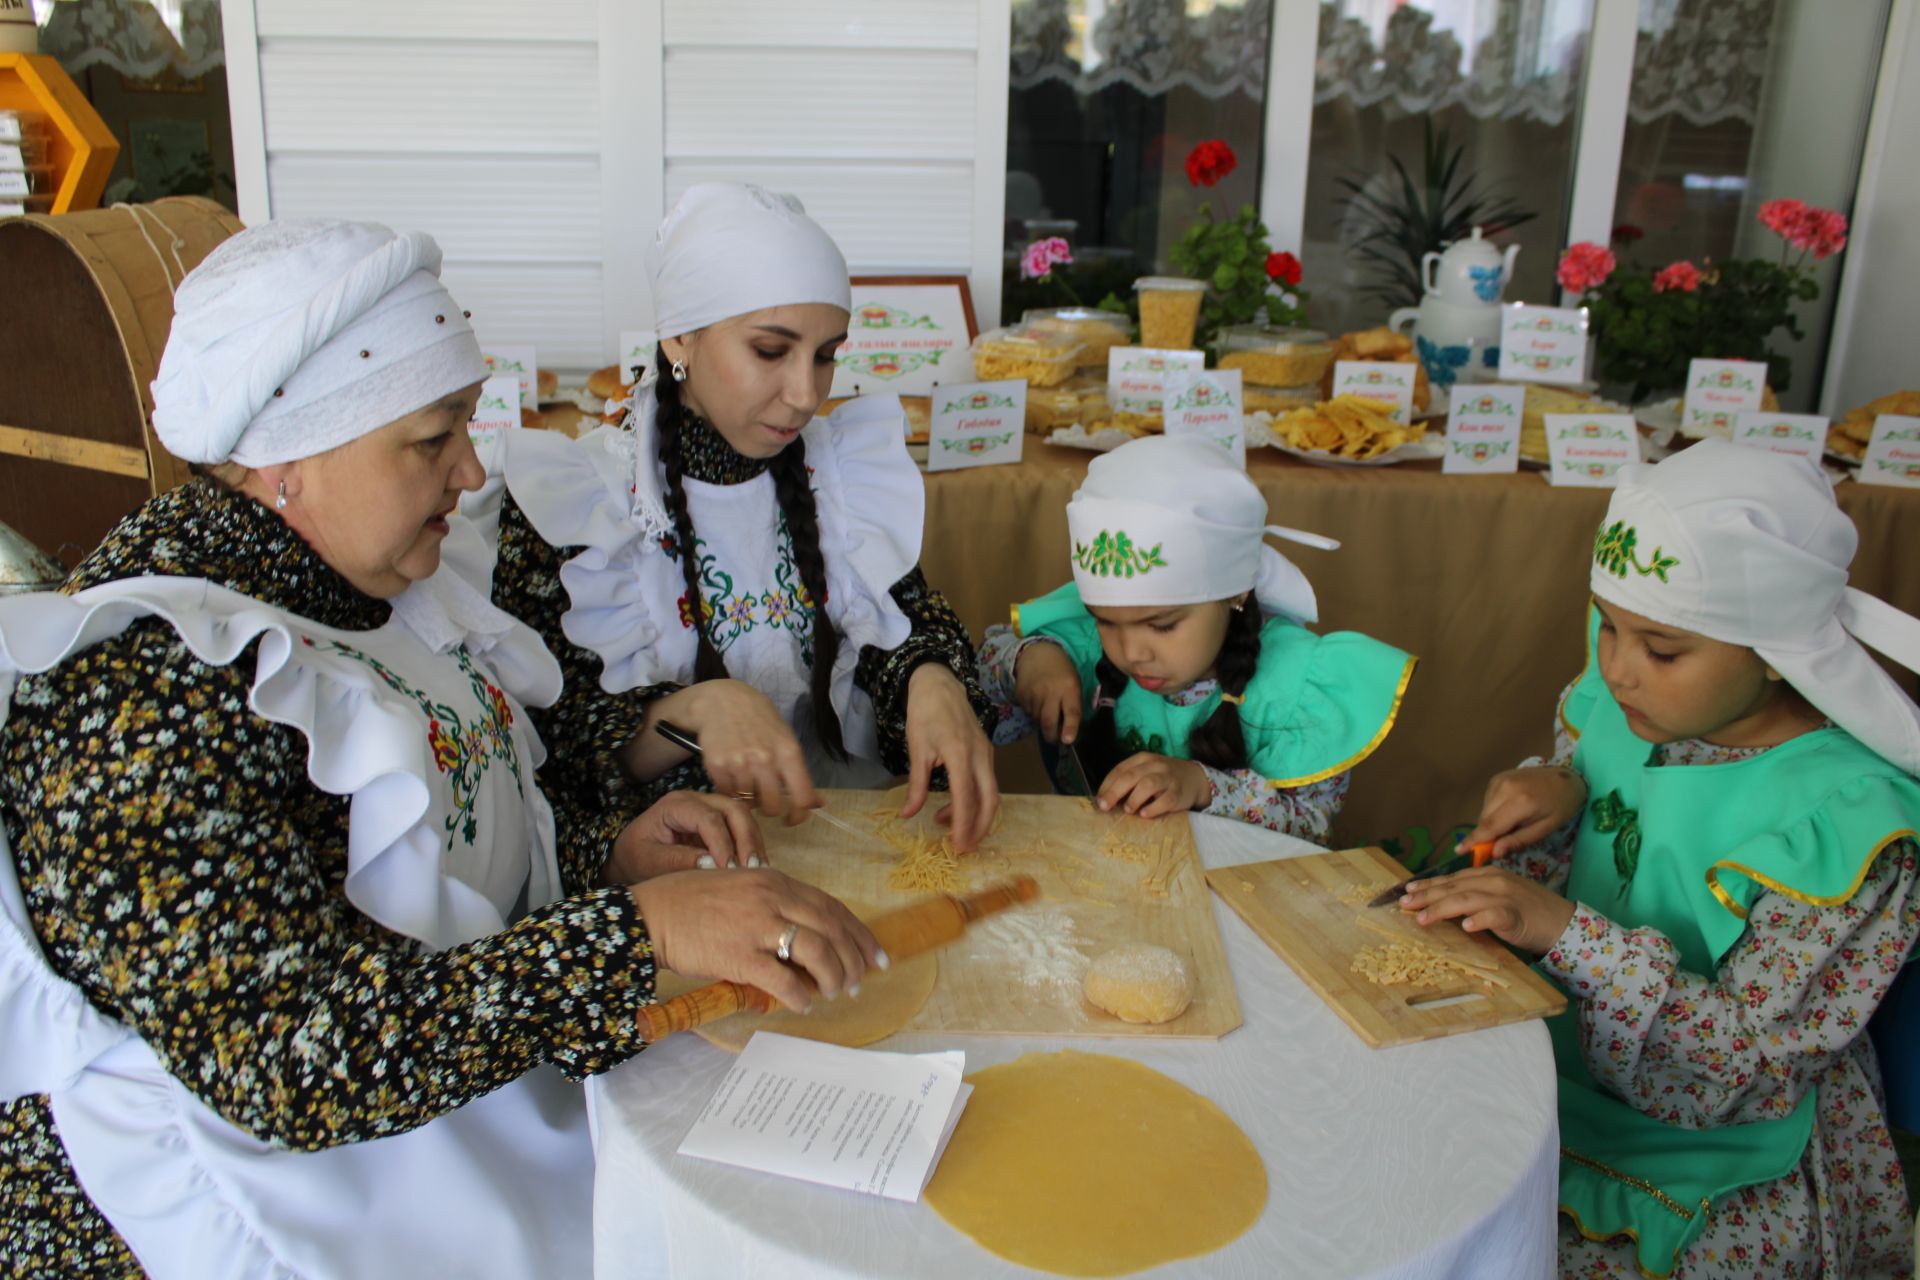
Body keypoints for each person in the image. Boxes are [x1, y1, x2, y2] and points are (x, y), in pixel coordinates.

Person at [0, 220, 879, 1278]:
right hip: (252, 1200)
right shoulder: (141, 687)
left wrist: (602, 852)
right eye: (431, 437)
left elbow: (454, 806)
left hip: (455, 1127)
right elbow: (293, 1056)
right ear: (290, 457)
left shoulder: (381, 583)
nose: (469, 470)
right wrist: (633, 930)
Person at [1401, 441, 1920, 1278]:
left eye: (1662, 649)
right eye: (1607, 627)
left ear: (1777, 652)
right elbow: (1609, 792)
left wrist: (1564, 931)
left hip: (1720, 1143)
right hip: (1559, 1068)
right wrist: (1561, 784)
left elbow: (1748, 1068)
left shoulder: (1849, 827)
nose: (1617, 669)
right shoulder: (1634, 703)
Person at [456, 183, 999, 849]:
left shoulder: (840, 476)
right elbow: (552, 749)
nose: (805, 395)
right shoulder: (579, 504)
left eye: (826, 355)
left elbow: (898, 619)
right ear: (679, 337)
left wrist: (929, 678)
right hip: (676, 885)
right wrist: (693, 711)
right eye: (771, 351)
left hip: (833, 845)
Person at [976, 435, 1415, 841]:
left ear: (1236, 592)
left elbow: (1310, 828)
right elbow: (982, 686)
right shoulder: (1083, 645)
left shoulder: (1294, 684)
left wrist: (1203, 786)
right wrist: (1031, 661)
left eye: (1163, 625)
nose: (1131, 652)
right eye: (1104, 621)